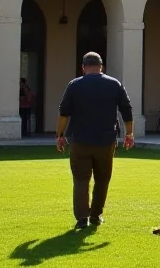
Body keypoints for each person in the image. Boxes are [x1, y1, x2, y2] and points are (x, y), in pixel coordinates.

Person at [55, 52, 135, 229]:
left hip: (80, 140)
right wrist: (129, 133)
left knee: (81, 179)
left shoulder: (74, 85)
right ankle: (96, 215)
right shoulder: (114, 84)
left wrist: (59, 135)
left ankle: (82, 217)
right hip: (105, 141)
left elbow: (64, 113)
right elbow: (126, 109)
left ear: (83, 67)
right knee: (102, 178)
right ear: (101, 67)